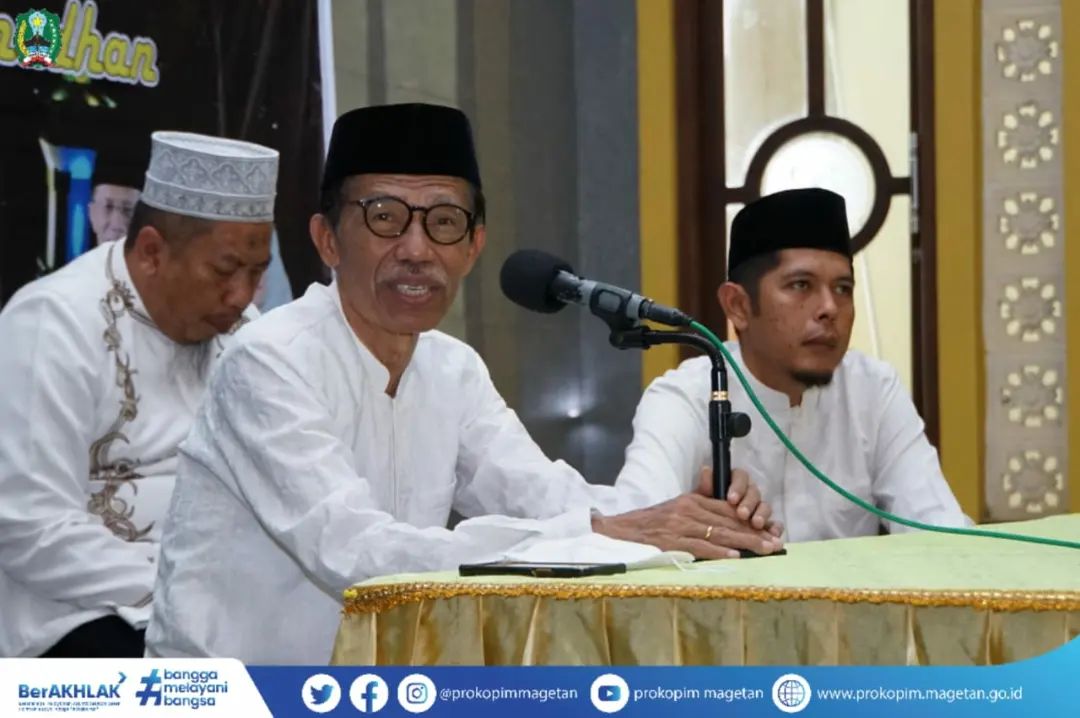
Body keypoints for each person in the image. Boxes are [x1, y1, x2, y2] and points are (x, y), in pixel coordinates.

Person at [146, 103, 782, 664]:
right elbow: (357, 554)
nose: (417, 249)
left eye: (444, 222)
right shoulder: (268, 361)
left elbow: (544, 498)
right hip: (229, 692)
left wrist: (690, 517)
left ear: (474, 246)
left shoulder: (452, 368)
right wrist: (610, 531)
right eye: (385, 217)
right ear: (327, 240)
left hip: (370, 686)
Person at [0, 131, 278, 657]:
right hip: (77, 614)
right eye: (224, 271)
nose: (241, 296)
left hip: (224, 602)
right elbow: (30, 525)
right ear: (151, 251)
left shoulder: (246, 330)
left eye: (256, 273)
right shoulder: (52, 323)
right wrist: (185, 589)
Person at [615, 188, 969, 542]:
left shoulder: (873, 390)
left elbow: (941, 530)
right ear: (738, 306)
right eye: (801, 285)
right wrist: (692, 519)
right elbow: (636, 523)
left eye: (843, 288)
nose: (829, 308)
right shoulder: (685, 397)